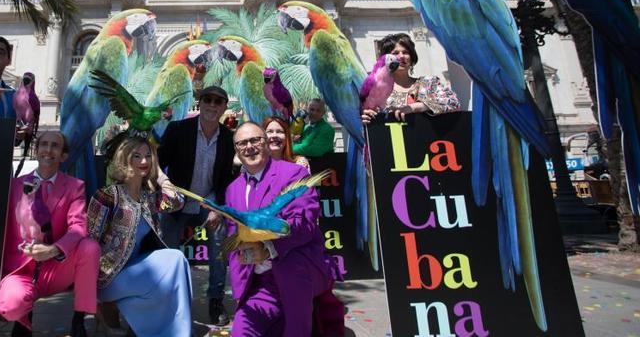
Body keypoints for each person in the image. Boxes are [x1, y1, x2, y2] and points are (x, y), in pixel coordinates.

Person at [226, 122, 335, 336]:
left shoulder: (294, 174)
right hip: (259, 285)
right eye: (242, 143)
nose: (249, 147)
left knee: (295, 329)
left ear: (266, 143)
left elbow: (304, 223)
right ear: (237, 150)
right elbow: (233, 238)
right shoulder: (233, 190)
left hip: (295, 273)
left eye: (255, 140)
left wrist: (268, 249)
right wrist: (240, 288)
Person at [0, 131, 100, 337]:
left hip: (56, 268)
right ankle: (24, 319)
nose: (48, 150)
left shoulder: (75, 187)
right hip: (21, 269)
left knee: (90, 247)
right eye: (43, 144)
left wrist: (53, 250)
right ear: (36, 150)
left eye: (55, 146)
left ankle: (79, 319)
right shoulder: (14, 186)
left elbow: (78, 226)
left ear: (63, 155)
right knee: (8, 307)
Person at [87, 137, 193, 337]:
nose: (144, 162)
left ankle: (172, 331)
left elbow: (177, 202)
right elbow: (88, 243)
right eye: (137, 156)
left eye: (148, 156)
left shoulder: (149, 197)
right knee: (168, 273)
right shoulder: (108, 196)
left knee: (176, 259)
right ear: (125, 159)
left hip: (138, 271)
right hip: (108, 278)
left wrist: (162, 176)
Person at [157, 85, 236, 325]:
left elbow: (226, 180)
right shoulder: (178, 129)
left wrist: (217, 208)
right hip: (176, 202)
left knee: (220, 245)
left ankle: (215, 300)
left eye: (218, 101)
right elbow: (156, 164)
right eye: (207, 100)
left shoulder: (229, 139)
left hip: (208, 202)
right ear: (199, 103)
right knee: (166, 254)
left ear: (224, 107)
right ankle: (167, 301)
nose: (212, 105)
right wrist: (165, 183)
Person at [361, 32, 460, 124]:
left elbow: (453, 103)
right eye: (395, 53)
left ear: (412, 58)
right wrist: (367, 118)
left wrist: (414, 107)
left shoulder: (428, 83)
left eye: (405, 52)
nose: (401, 56)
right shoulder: (377, 91)